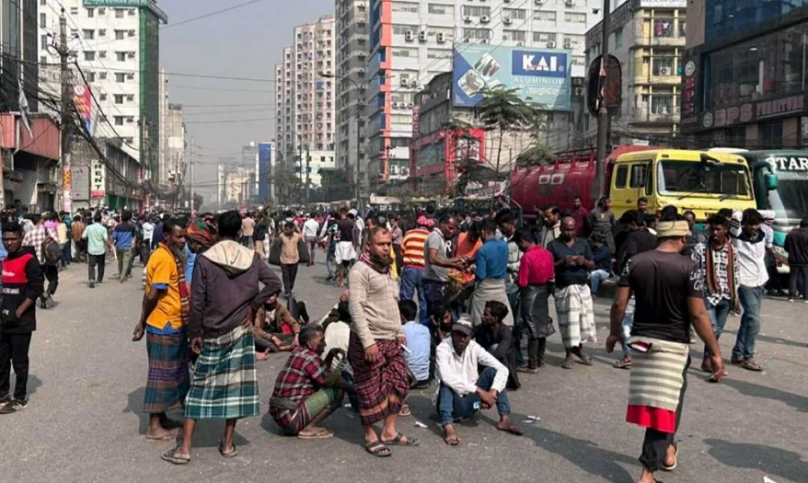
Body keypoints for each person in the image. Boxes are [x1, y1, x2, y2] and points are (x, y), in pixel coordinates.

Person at [608, 219, 725, 483]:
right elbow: (697, 314)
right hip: (672, 346)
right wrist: (715, 351)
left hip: (640, 343)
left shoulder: (634, 263)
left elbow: (618, 304)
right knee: (665, 407)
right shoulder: (689, 267)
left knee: (660, 402)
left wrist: (615, 333)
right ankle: (647, 473)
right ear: (683, 238)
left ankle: (668, 450)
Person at [161, 211, 282, 465]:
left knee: (198, 390)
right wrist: (253, 305)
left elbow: (197, 301)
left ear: (217, 232)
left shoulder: (206, 260)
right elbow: (273, 283)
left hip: (212, 331)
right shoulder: (253, 258)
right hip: (239, 331)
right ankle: (227, 444)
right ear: (240, 231)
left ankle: (184, 448)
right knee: (235, 390)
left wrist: (194, 333)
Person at [347, 226, 417, 457]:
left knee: (400, 382)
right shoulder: (360, 271)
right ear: (369, 245)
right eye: (381, 244)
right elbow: (355, 307)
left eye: (388, 243)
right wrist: (368, 342)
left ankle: (389, 431)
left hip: (390, 338)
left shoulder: (388, 269)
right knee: (369, 390)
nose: (386, 248)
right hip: (370, 340)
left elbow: (393, 301)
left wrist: (398, 330)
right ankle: (370, 435)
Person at [131, 218, 190, 441]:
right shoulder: (164, 258)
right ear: (166, 236)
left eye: (184, 236)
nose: (183, 240)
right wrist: (142, 321)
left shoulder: (168, 255)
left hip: (172, 323)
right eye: (178, 236)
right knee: (161, 376)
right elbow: (152, 295)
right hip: (164, 324)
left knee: (173, 373)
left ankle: (162, 417)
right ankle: (154, 426)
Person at [436, 316, 522, 446]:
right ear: (452, 334)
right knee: (446, 382)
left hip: (471, 404)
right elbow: (447, 376)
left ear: (470, 337)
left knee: (493, 371)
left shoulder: (473, 347)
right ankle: (448, 426)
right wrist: (480, 392)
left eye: (465, 336)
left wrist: (493, 392)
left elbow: (502, 369)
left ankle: (504, 418)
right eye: (458, 335)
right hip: (452, 405)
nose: (461, 339)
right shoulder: (443, 348)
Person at [269, 325, 355, 439]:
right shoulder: (310, 358)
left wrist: (329, 355)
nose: (324, 344)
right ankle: (308, 428)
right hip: (291, 418)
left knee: (328, 386)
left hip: (280, 415)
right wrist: (356, 390)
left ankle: (303, 423)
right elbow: (331, 380)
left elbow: (320, 375)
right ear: (310, 343)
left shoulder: (299, 352)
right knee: (338, 391)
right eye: (321, 341)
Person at [0, 221, 44, 414]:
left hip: (21, 322)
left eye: (12, 239)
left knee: (19, 361)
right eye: (5, 239)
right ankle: (2, 394)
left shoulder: (29, 260)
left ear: (20, 239)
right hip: (3, 319)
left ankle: (19, 397)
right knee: (2, 360)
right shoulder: (3, 261)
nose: (9, 243)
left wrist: (20, 310)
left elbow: (36, 288)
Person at [691, 214, 738, 377]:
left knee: (717, 331)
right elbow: (694, 271)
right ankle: (715, 361)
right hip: (707, 294)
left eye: (718, 229)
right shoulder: (700, 249)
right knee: (712, 329)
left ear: (725, 230)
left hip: (725, 296)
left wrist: (734, 296)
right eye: (713, 229)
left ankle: (707, 359)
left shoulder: (733, 251)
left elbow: (736, 274)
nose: (715, 232)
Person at [548, 217, 596, 369]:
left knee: (582, 323)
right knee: (568, 323)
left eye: (572, 229)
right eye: (567, 229)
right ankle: (569, 354)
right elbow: (548, 267)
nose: (570, 233)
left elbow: (592, 265)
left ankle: (580, 351)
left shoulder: (583, 243)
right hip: (564, 288)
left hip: (582, 288)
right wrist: (562, 262)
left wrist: (584, 262)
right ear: (561, 229)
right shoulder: (553, 245)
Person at [729, 209, 768, 372]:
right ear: (744, 224)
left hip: (760, 280)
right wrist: (741, 215)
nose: (754, 227)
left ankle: (737, 352)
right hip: (745, 282)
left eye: (756, 224)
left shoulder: (762, 234)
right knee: (754, 319)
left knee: (748, 319)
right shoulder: (737, 236)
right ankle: (748, 356)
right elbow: (736, 216)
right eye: (750, 224)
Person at [513, 229, 555, 372]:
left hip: (530, 293)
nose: (519, 247)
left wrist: (516, 279)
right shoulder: (548, 254)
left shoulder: (527, 257)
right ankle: (540, 359)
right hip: (543, 292)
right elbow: (551, 275)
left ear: (523, 241)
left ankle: (532, 363)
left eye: (519, 244)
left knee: (531, 328)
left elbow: (523, 282)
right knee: (542, 325)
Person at [470, 219, 514, 326]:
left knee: (480, 320)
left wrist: (473, 268)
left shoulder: (482, 250)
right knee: (503, 319)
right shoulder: (504, 246)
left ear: (483, 232)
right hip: (500, 287)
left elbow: (481, 275)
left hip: (485, 289)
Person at [422, 215, 466, 323]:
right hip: (433, 281)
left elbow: (441, 258)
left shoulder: (440, 238)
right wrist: (454, 265)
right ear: (442, 224)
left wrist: (457, 260)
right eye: (450, 228)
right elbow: (433, 258)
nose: (452, 231)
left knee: (439, 313)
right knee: (434, 314)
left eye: (454, 229)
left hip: (438, 281)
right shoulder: (435, 236)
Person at [475, 301, 520, 389]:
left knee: (494, 347)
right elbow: (469, 334)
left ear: (495, 318)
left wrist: (478, 356)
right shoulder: (483, 327)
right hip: (487, 365)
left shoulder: (505, 332)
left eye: (486, 314)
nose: (482, 316)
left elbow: (500, 353)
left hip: (504, 370)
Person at [400, 216, 431, 326]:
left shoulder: (409, 233)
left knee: (406, 297)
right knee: (423, 299)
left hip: (410, 268)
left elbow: (402, 250)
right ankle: (423, 324)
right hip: (424, 270)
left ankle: (406, 323)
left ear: (417, 225)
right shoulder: (429, 236)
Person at [22, 214, 58, 308]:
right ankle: (48, 292)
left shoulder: (29, 234)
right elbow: (57, 242)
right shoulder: (48, 231)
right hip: (48, 260)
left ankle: (43, 298)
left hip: (35, 262)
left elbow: (24, 247)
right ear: (41, 221)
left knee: (39, 282)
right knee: (53, 279)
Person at [399, 300, 431, 389]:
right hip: (424, 377)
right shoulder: (425, 329)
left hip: (408, 378)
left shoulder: (400, 330)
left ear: (401, 316)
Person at [82, 213, 111, 288]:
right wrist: (109, 247)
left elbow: (83, 236)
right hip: (101, 249)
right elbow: (105, 239)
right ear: (101, 220)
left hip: (91, 249)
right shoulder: (103, 229)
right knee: (101, 265)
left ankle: (91, 278)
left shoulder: (89, 227)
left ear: (94, 219)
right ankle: (99, 279)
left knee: (91, 265)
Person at [784, 217, 808, 303]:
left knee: (793, 277)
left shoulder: (790, 234)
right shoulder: (806, 235)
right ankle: (806, 297)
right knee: (806, 278)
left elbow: (786, 247)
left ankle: (791, 296)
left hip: (793, 259)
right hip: (805, 260)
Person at [111, 210, 138, 283]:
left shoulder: (117, 227)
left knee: (120, 262)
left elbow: (114, 237)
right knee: (125, 262)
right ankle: (123, 276)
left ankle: (120, 274)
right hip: (127, 246)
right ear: (129, 217)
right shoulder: (131, 227)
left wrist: (112, 243)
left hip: (119, 246)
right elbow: (133, 236)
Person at [335, 208, 357, 288]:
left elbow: (338, 235)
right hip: (349, 244)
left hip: (341, 243)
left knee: (340, 264)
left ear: (341, 214)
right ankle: (351, 281)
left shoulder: (339, 223)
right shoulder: (351, 223)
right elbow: (353, 234)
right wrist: (354, 244)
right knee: (348, 264)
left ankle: (341, 282)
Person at [279, 221, 303, 296]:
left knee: (292, 276)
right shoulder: (281, 236)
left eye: (288, 229)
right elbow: (279, 245)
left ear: (292, 229)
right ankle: (287, 291)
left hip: (294, 259)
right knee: (285, 275)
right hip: (284, 259)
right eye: (285, 229)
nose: (286, 231)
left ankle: (290, 288)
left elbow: (300, 244)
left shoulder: (297, 236)